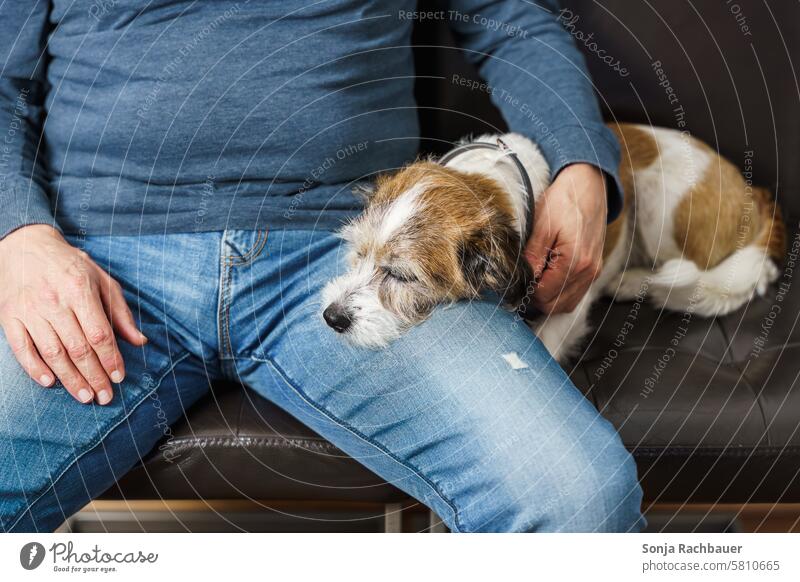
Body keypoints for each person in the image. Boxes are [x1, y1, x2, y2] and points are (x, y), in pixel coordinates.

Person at [0, 1, 643, 532]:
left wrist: (581, 163)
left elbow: (513, 18)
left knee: (577, 500)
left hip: (351, 242)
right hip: (94, 256)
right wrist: (17, 235)